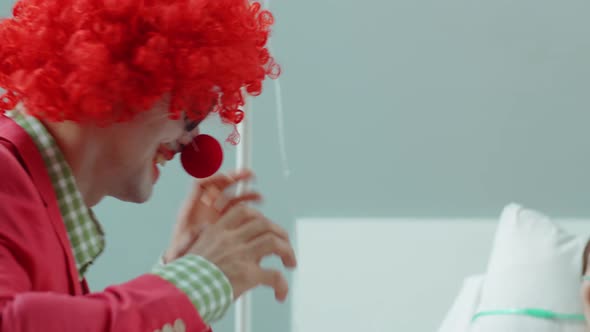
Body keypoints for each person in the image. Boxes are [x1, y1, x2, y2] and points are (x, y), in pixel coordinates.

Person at [0, 0, 297, 331]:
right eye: (195, 106)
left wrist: (177, 271)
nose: (195, 143)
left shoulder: (36, 209)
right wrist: (195, 283)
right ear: (118, 74)